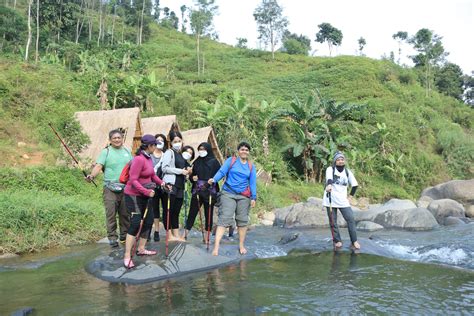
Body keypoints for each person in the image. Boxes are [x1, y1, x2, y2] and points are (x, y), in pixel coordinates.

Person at [123, 134, 165, 268]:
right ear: (150, 146)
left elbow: (152, 175)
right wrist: (146, 191)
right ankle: (127, 256)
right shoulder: (139, 159)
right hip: (133, 195)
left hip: (145, 195)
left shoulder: (148, 158)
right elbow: (133, 180)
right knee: (135, 223)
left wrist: (162, 183)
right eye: (155, 145)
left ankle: (141, 249)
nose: (156, 147)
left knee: (148, 221)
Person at [208, 141, 257, 256]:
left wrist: (253, 197)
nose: (244, 151)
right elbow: (222, 171)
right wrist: (214, 179)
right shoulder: (231, 161)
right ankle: (216, 247)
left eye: (246, 150)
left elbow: (252, 182)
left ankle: (241, 245)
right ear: (238, 151)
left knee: (242, 221)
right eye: (242, 149)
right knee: (224, 218)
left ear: (248, 152)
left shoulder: (251, 166)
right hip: (228, 193)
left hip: (244, 196)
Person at [86, 129, 132, 248]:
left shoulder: (127, 151)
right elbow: (99, 165)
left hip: (125, 188)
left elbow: (133, 167)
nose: (117, 140)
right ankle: (112, 237)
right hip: (110, 188)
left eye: (119, 137)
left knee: (125, 214)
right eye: (114, 138)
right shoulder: (105, 152)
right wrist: (92, 176)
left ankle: (124, 236)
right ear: (110, 140)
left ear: (122, 138)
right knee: (111, 214)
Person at [323, 151, 361, 250]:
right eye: (338, 159)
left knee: (350, 219)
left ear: (344, 161)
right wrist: (329, 185)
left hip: (343, 201)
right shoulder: (330, 169)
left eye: (342, 159)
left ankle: (354, 241)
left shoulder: (347, 172)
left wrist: (351, 196)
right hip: (330, 199)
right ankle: (337, 241)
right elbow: (329, 179)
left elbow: (355, 185)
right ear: (335, 161)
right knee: (333, 222)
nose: (340, 161)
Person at [185, 142, 221, 242]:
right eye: (200, 149)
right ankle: (185, 234)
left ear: (208, 150)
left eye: (204, 149)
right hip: (197, 190)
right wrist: (193, 178)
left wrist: (211, 181)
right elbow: (191, 176)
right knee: (192, 212)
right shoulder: (196, 162)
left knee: (208, 214)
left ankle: (207, 237)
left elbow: (219, 176)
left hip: (209, 191)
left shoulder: (214, 162)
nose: (201, 151)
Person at [161, 131, 191, 242]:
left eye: (179, 141)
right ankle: (168, 235)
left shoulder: (182, 155)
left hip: (180, 186)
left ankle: (176, 235)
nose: (177, 143)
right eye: (175, 141)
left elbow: (185, 170)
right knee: (168, 210)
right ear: (171, 143)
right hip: (171, 184)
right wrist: (180, 171)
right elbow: (165, 168)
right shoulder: (169, 152)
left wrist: (187, 172)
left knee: (176, 211)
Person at [148, 134, 168, 242]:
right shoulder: (149, 155)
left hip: (163, 185)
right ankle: (156, 231)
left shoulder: (166, 155)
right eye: (158, 140)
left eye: (162, 140)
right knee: (154, 209)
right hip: (152, 185)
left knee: (165, 208)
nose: (160, 142)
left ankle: (167, 230)